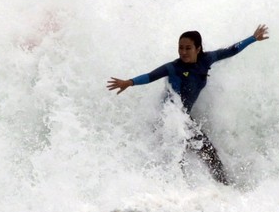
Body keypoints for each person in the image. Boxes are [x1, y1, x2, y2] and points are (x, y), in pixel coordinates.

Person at [107, 24, 269, 185]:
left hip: (182, 118)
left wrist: (253, 38)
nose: (183, 52)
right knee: (181, 156)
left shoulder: (207, 60)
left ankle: (223, 187)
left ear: (198, 49)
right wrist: (129, 82)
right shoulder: (173, 67)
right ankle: (174, 189)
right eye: (180, 48)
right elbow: (150, 76)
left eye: (188, 48)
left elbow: (231, 50)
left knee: (208, 153)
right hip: (171, 117)